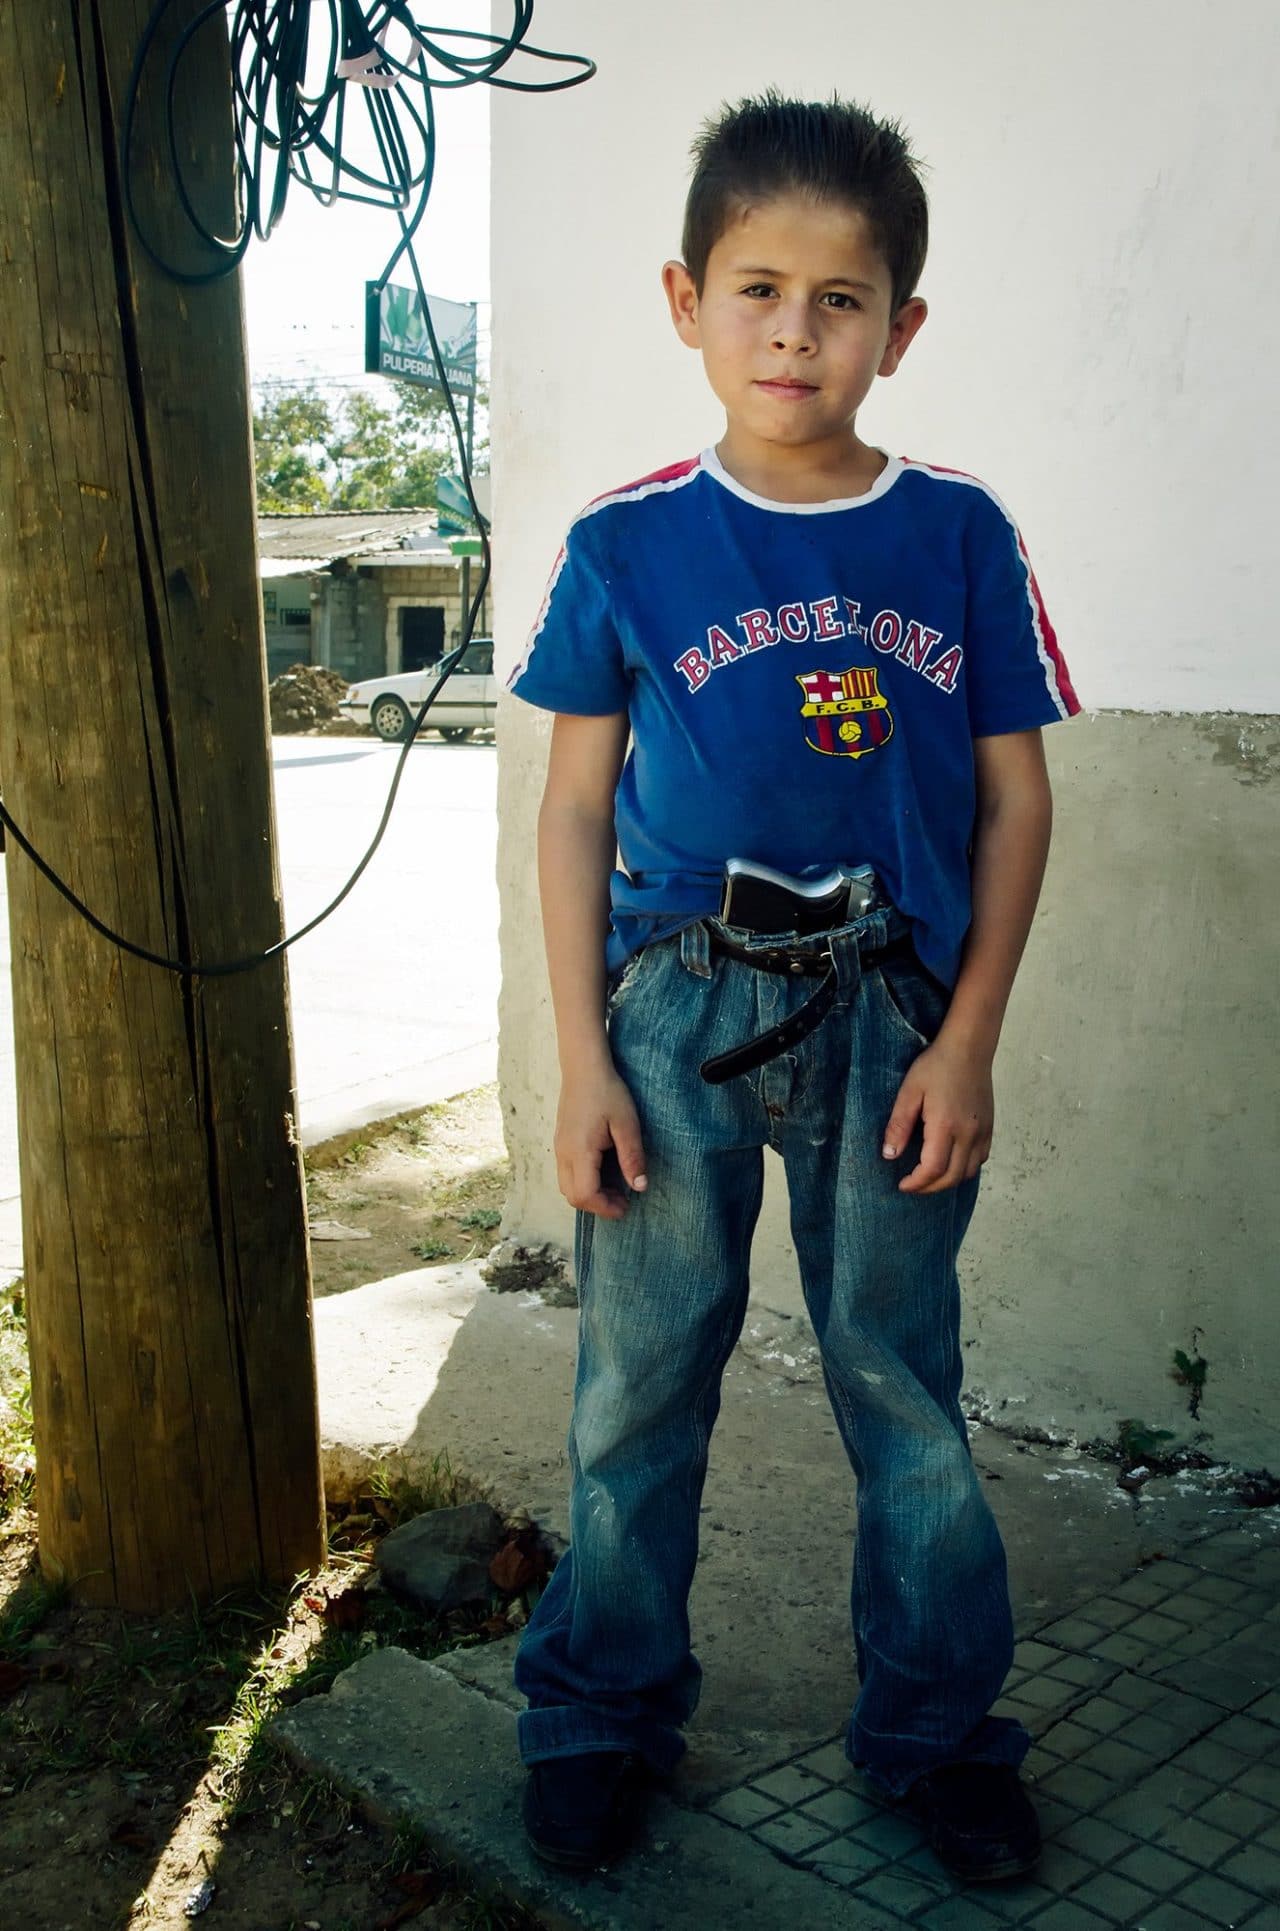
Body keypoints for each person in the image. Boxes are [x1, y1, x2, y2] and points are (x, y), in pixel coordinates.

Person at [504, 90, 1080, 1884]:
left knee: (899, 1382)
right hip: (675, 1008)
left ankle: (931, 1733)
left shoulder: (960, 533)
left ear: (901, 328)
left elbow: (1013, 797)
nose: (793, 332)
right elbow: (576, 805)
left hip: (894, 1013)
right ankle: (600, 1712)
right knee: (638, 1381)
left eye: (841, 301)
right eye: (757, 289)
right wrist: (581, 1061)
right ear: (687, 300)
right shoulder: (630, 541)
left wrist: (969, 1041)